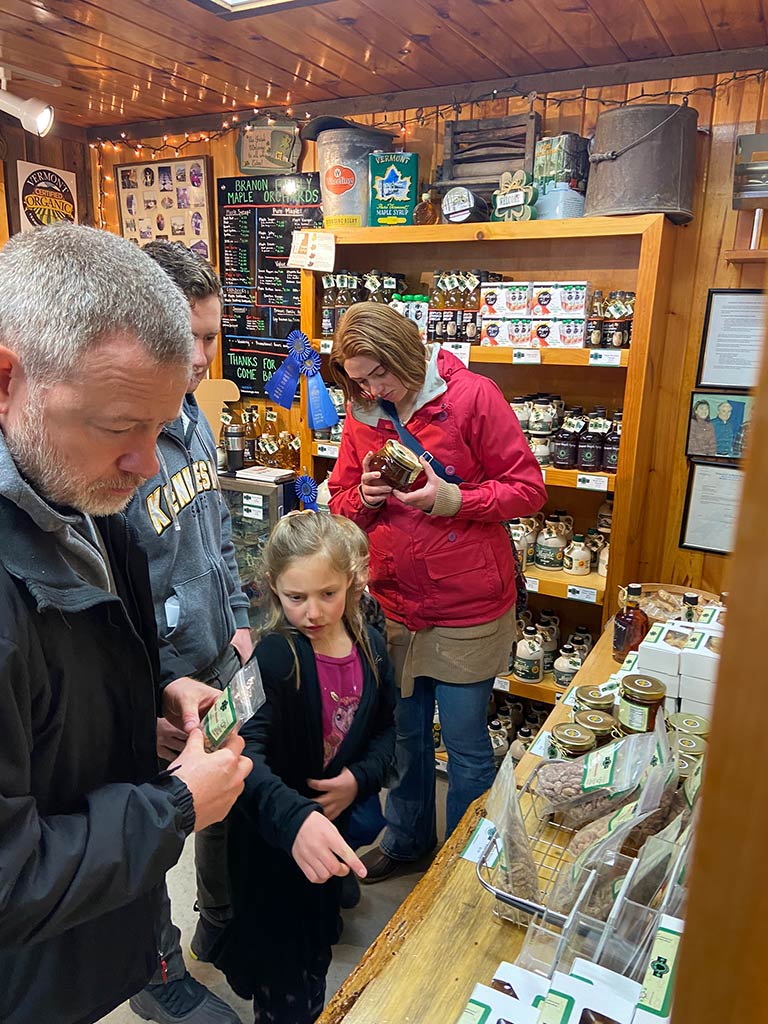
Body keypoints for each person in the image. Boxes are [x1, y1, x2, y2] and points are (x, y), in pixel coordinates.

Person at [0, 223, 252, 1024]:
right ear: (7, 379)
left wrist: (135, 709)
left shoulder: (70, 480)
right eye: (121, 427)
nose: (149, 462)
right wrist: (175, 807)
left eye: (162, 423)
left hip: (82, 951)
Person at [327, 303, 547, 882]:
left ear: (406, 353)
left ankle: (459, 863)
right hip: (395, 602)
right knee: (403, 736)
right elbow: (342, 500)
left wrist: (455, 500)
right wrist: (367, 497)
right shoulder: (364, 412)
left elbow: (527, 489)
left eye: (380, 374)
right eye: (360, 379)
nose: (373, 389)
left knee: (467, 743)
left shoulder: (473, 397)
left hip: (467, 607)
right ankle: (406, 842)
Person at [126, 242, 252, 1024]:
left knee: (222, 797)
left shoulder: (196, 414)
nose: (205, 357)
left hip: (214, 656)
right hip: (153, 689)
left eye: (213, 336)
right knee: (149, 831)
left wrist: (240, 621)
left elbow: (218, 535)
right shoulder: (119, 434)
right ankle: (154, 970)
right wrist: (141, 699)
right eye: (190, 337)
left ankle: (219, 920)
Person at [215, 512, 395, 1023]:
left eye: (328, 594)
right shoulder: (272, 659)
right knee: (283, 979)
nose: (313, 612)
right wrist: (295, 819)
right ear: (274, 588)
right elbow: (241, 754)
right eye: (296, 598)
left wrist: (359, 779)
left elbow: (389, 733)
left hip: (327, 851)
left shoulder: (373, 651)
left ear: (353, 583)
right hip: (271, 854)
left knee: (315, 955)